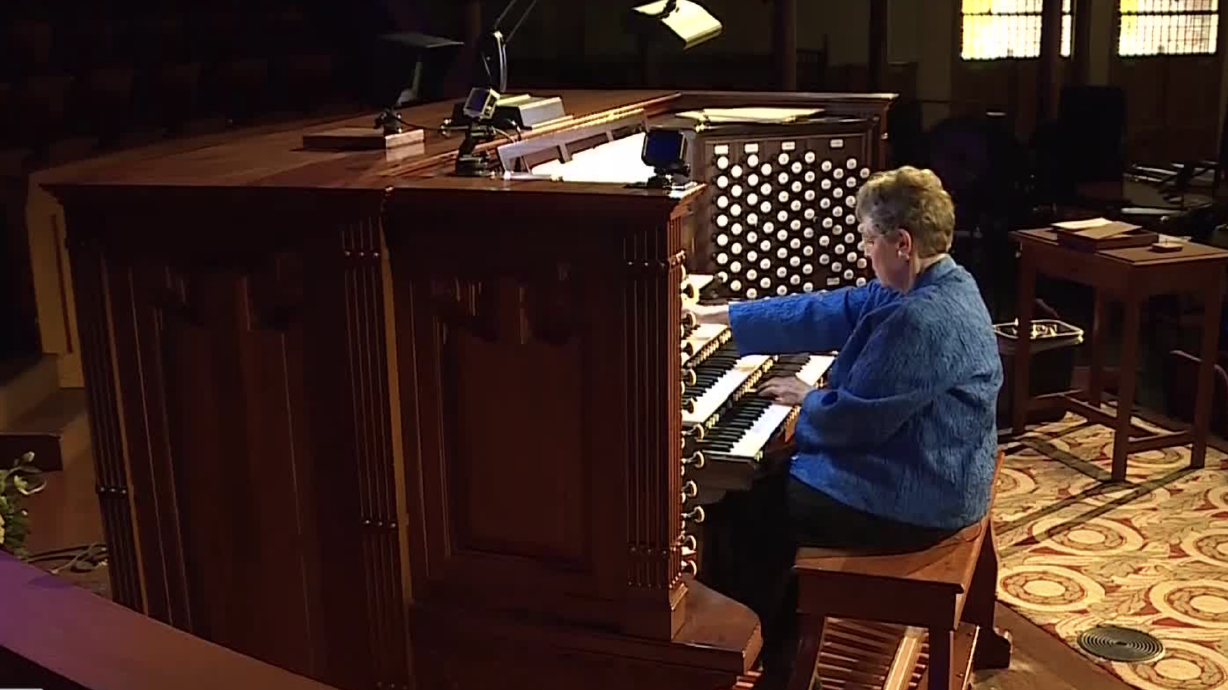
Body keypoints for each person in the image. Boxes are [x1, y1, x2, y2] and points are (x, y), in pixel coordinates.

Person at [686, 166, 1003, 685]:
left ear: (902, 243)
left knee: (744, 516)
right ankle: (779, 643)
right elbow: (826, 309)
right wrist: (715, 316)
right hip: (939, 463)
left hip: (921, 497)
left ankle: (766, 660)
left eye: (869, 239)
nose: (864, 251)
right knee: (765, 491)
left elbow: (854, 423)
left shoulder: (920, 319)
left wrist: (809, 400)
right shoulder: (943, 282)